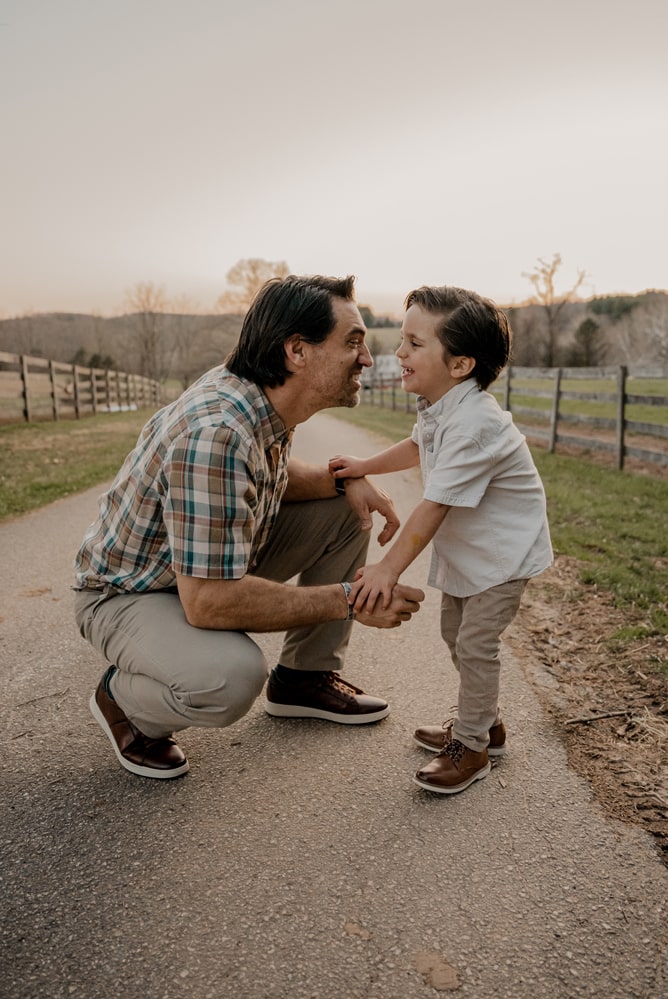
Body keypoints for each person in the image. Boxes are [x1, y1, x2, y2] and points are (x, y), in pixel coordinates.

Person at [73, 274, 424, 780]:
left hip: (194, 570)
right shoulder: (217, 433)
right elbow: (211, 600)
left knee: (346, 509)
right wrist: (351, 598)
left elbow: (274, 477)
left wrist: (346, 479)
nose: (367, 359)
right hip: (130, 594)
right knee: (230, 677)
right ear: (297, 351)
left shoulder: (261, 398)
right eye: (353, 343)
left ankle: (303, 680)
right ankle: (124, 702)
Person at [329, 285, 553, 795]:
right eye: (402, 341)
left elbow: (433, 507)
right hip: (472, 554)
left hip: (502, 556)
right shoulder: (441, 406)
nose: (398, 353)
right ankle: (486, 724)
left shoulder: (475, 424)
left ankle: (472, 746)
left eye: (413, 343)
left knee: (475, 643)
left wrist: (388, 568)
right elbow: (417, 445)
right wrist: (365, 465)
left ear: (460, 365)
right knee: (455, 633)